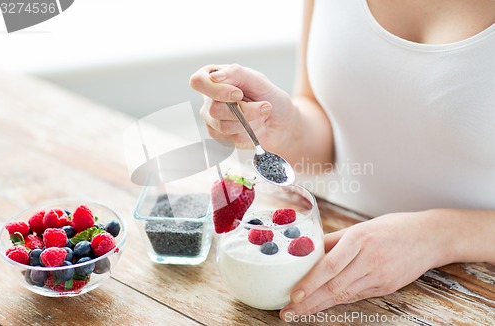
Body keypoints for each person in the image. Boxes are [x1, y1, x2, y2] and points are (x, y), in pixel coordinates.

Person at [189, 0, 495, 320]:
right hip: (339, 264)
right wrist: (282, 125)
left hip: (472, 294)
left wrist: (438, 236)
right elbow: (328, 138)